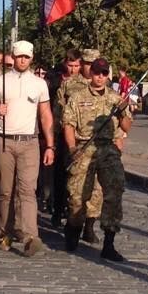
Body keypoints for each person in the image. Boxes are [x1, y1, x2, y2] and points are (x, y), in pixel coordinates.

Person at [0, 40, 55, 256]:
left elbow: (46, 115)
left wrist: (50, 145)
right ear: (13, 57)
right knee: (5, 190)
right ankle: (4, 230)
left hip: (30, 142)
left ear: (31, 59)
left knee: (28, 190)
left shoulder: (39, 84)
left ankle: (31, 235)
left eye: (26, 57)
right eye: (19, 56)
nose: (22, 60)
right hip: (4, 140)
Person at [62, 57, 131, 261]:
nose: (100, 77)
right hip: (84, 146)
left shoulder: (115, 98)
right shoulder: (77, 96)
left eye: (104, 73)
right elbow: (68, 124)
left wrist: (124, 112)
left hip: (107, 148)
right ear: (91, 73)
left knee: (114, 191)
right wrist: (72, 147)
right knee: (77, 196)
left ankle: (109, 242)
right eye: (97, 73)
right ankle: (73, 228)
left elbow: (126, 127)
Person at [57, 49, 103, 243]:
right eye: (87, 63)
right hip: (76, 144)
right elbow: (59, 111)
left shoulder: (104, 86)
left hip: (99, 146)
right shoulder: (69, 85)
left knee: (96, 189)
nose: (89, 67)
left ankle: (90, 227)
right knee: (75, 189)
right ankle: (72, 222)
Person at [50, 49, 84, 228]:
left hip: (83, 137)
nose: (73, 69)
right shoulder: (60, 83)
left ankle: (74, 213)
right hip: (63, 135)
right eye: (70, 66)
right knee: (60, 175)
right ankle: (57, 209)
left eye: (76, 66)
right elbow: (57, 110)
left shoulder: (87, 84)